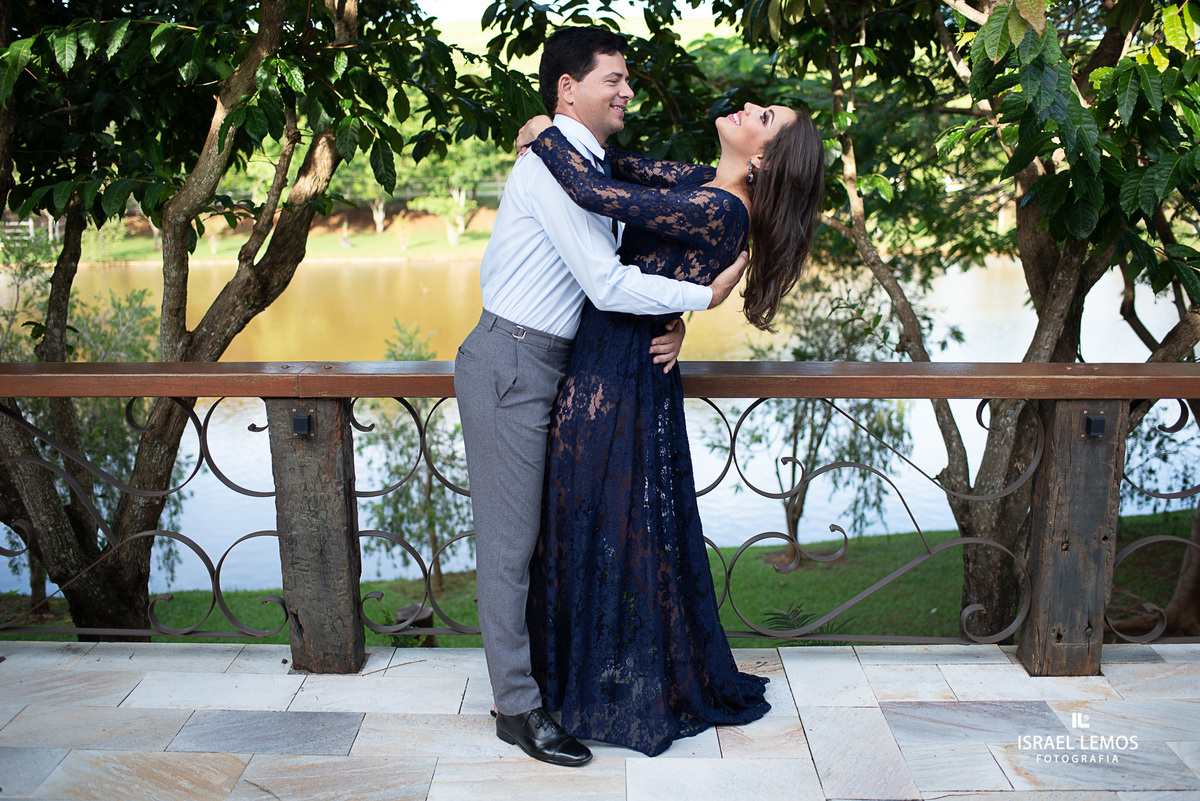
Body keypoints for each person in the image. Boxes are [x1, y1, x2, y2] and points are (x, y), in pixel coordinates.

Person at [454, 26, 749, 768]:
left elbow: (702, 205)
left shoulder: (589, 159)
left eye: (626, 79)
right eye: (612, 79)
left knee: (545, 537)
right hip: (512, 364)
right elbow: (604, 281)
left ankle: (545, 682)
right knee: (510, 546)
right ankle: (517, 710)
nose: (626, 91)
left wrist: (674, 320)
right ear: (567, 90)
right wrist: (702, 297)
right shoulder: (553, 168)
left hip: (557, 364)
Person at [519, 83, 825, 753]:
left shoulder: (721, 209)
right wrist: (687, 306)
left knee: (594, 520)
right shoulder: (706, 185)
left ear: (767, 161)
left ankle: (583, 687)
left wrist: (543, 133)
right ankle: (580, 676)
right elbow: (618, 166)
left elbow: (599, 195)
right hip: (621, 359)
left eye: (764, 118)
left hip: (617, 371)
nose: (748, 107)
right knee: (597, 519)